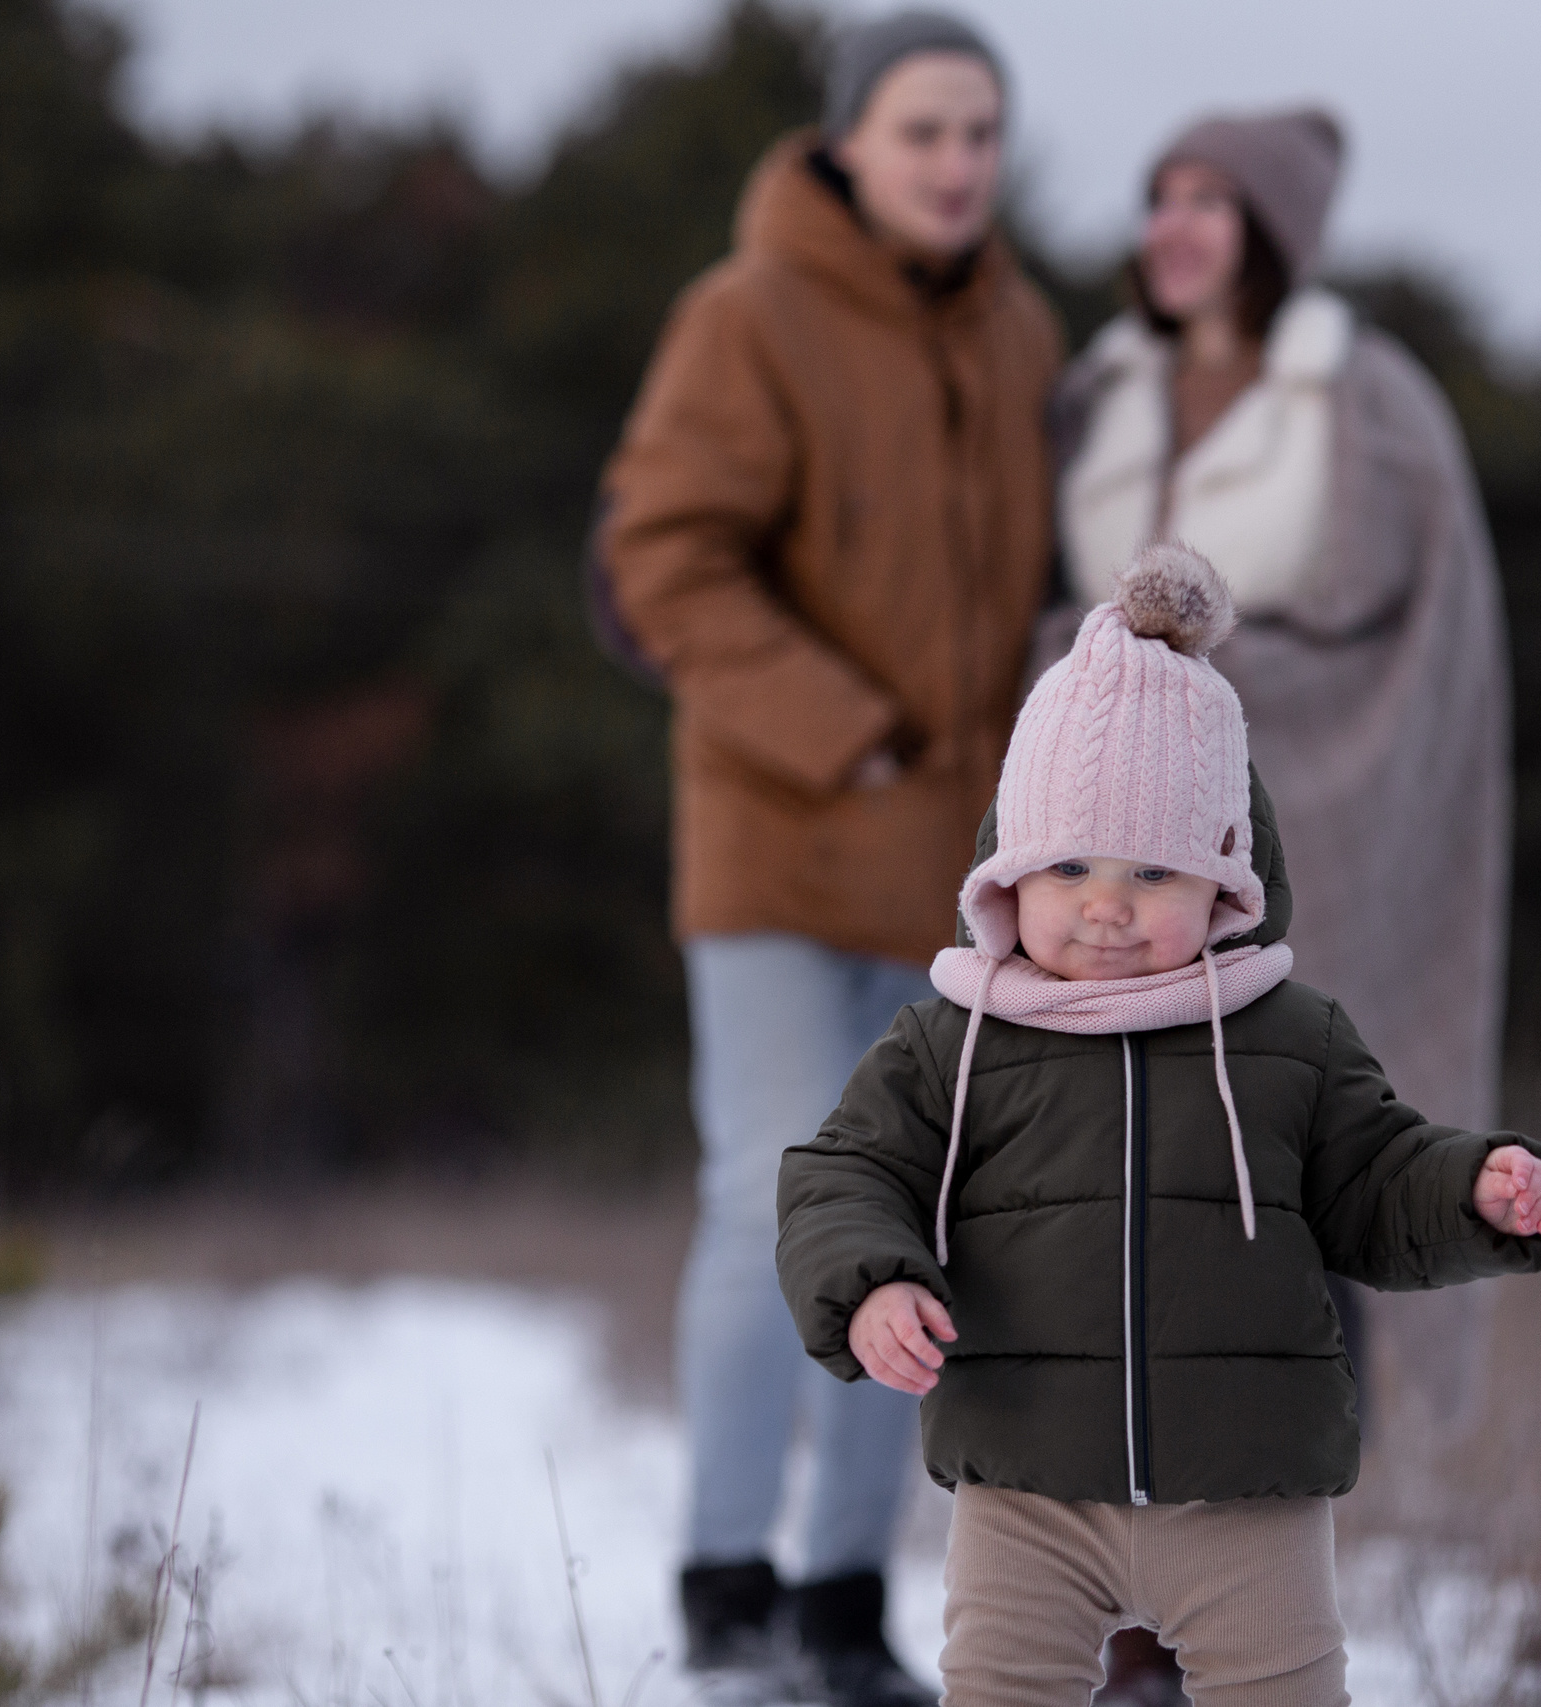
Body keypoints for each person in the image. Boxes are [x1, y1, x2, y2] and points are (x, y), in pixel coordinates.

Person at [777, 544, 1541, 1707]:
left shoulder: (1289, 1036)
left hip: (1244, 1487)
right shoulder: (957, 1040)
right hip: (1026, 1484)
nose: (1107, 904)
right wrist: (873, 1284)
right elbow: (841, 1175)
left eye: (1154, 869)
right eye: (1070, 867)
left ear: (1226, 881)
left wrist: (1469, 1193)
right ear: (1007, 876)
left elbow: (1376, 1180)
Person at [595, 10, 1061, 1703]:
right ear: (853, 143)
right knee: (780, 1188)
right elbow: (663, 557)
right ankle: (725, 1596)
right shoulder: (748, 311)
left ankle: (841, 1607)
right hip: (780, 844)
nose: (956, 163)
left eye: (982, 134)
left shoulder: (1024, 339)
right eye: (926, 129)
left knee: (920, 1222)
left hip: (956, 874)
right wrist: (843, 726)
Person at [1051, 109, 1516, 1699]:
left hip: (1318, 841)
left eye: (1214, 200)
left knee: (1285, 1216)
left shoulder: (1367, 400)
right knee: (1115, 1221)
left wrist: (1201, 686)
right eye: (1160, 194)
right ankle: (1119, 1626)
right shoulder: (1098, 393)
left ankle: (1245, 1613)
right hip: (1112, 885)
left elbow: (1406, 627)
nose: (1177, 224)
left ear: (1278, 229)